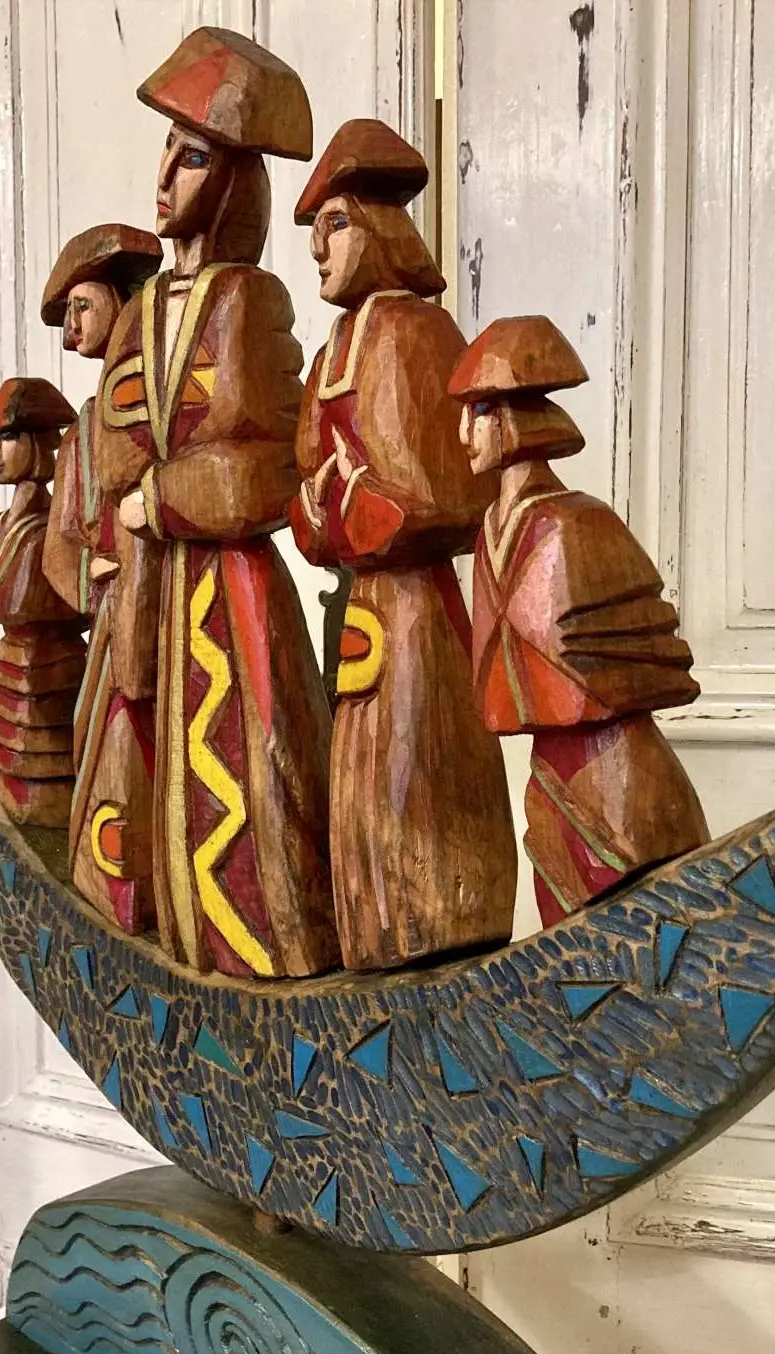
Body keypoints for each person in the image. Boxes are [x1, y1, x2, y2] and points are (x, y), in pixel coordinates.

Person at [98, 27, 337, 978]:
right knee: (152, 769)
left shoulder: (249, 302)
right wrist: (132, 496)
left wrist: (161, 494)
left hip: (232, 598)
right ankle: (185, 946)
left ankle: (264, 954)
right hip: (152, 593)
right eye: (166, 148)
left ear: (236, 183)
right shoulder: (143, 310)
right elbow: (113, 444)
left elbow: (271, 468)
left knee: (254, 770)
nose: (164, 176)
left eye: (191, 157)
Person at [289, 118, 515, 969]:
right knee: (361, 786)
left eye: (335, 225)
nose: (318, 249)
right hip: (364, 613)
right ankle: (380, 946)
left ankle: (441, 938)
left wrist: (350, 496)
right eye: (315, 231)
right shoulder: (330, 353)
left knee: (416, 776)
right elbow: (305, 489)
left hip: (418, 615)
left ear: (380, 230)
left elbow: (448, 492)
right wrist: (330, 503)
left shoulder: (418, 333)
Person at [449, 315, 709, 924]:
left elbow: (644, 659)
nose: (464, 432)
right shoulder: (488, 535)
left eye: (480, 411)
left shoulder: (579, 523)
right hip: (551, 776)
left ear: (518, 419)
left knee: (640, 923)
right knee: (567, 926)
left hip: (617, 772)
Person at [37, 224, 164, 931]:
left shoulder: (165, 398)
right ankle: (118, 887)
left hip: (172, 616)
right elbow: (60, 544)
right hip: (115, 622)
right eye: (67, 316)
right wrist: (94, 568)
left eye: (81, 308)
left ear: (121, 299)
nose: (71, 332)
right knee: (111, 747)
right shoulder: (84, 431)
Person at [0, 377, 85, 828]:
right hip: (11, 669)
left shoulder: (60, 529)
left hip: (54, 674)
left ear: (39, 443)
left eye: (9, 436)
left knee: (50, 765)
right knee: (14, 764)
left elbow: (70, 598)